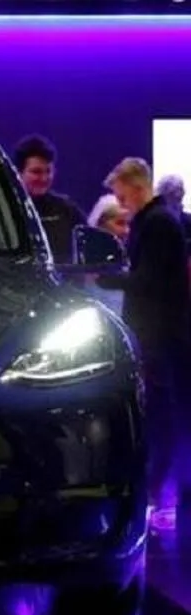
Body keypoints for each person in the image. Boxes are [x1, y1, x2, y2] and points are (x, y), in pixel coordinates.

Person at [98, 157, 191, 517]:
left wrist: (109, 278)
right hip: (158, 335)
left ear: (138, 188)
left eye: (123, 197)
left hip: (161, 337)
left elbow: (149, 281)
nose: (121, 205)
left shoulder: (158, 223)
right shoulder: (157, 221)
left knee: (164, 417)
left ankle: (163, 494)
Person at [12, 135, 86, 264]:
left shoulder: (67, 210)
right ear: (18, 172)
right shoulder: (5, 209)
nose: (44, 178)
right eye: (36, 172)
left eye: (48, 171)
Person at [156, 174, 191, 241]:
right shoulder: (154, 219)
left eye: (182, 189)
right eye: (179, 189)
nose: (183, 193)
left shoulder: (188, 220)